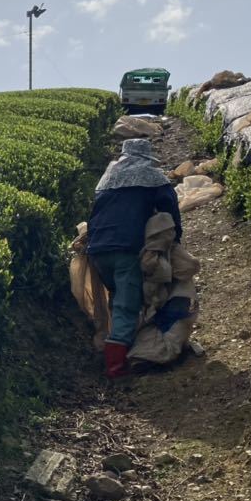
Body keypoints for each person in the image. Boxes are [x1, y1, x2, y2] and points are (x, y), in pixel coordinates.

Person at [87, 138, 182, 378]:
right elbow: (169, 206)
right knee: (126, 304)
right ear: (146, 157)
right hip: (125, 249)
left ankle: (116, 341)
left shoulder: (108, 178)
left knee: (118, 295)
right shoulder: (151, 177)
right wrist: (176, 239)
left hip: (97, 248)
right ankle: (116, 366)